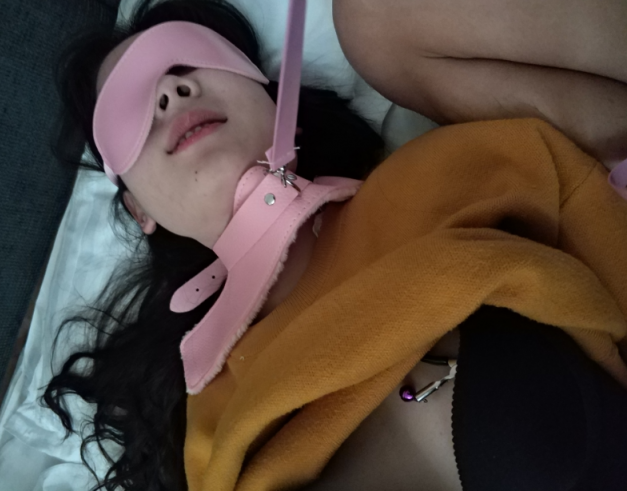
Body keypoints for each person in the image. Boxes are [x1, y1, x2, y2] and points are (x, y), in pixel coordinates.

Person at [43, 1, 627, 490]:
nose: (171, 91)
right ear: (139, 211)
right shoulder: (215, 418)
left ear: (280, 104)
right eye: (128, 109)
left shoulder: (443, 175)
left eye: (187, 60)